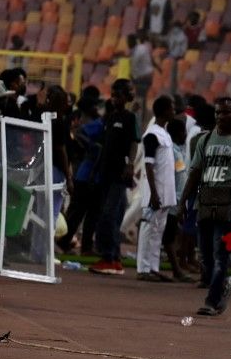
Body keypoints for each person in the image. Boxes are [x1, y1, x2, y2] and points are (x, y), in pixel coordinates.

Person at [178, 97, 231, 316]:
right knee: (205, 254)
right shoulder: (205, 140)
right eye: (217, 113)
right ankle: (222, 286)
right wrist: (182, 202)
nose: (219, 117)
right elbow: (195, 172)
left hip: (227, 203)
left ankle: (211, 300)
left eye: (225, 113)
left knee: (220, 254)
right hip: (204, 202)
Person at [90, 79, 140, 275]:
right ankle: (115, 257)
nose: (114, 99)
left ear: (126, 97)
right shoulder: (110, 117)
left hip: (120, 173)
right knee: (113, 214)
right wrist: (96, 169)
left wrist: (130, 164)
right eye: (113, 95)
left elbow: (135, 143)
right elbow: (105, 146)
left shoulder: (130, 118)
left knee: (109, 215)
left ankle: (109, 256)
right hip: (106, 172)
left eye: (118, 96)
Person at [136, 96, 177, 281]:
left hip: (165, 191)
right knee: (147, 229)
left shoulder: (164, 133)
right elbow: (148, 165)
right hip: (155, 191)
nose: (174, 111)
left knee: (158, 230)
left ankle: (153, 267)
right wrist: (153, 192)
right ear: (164, 111)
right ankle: (143, 269)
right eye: (172, 107)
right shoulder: (152, 135)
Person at [58, 96, 104, 254]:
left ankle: (84, 246)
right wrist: (92, 147)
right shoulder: (99, 124)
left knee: (89, 213)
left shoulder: (99, 123)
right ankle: (65, 241)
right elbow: (79, 133)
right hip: (86, 175)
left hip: (91, 175)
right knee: (79, 212)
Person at [162, 118, 195, 283]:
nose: (186, 134)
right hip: (173, 200)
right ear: (177, 133)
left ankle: (179, 266)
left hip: (178, 199)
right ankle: (177, 269)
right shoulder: (172, 152)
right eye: (183, 132)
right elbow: (174, 178)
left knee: (174, 233)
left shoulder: (179, 151)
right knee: (169, 235)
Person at [128, 33, 159, 124]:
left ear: (133, 41)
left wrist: (132, 78)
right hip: (147, 75)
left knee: (140, 98)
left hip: (143, 77)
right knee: (142, 97)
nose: (128, 43)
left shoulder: (137, 52)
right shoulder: (142, 48)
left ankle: (140, 119)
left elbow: (134, 69)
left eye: (129, 41)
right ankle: (143, 117)